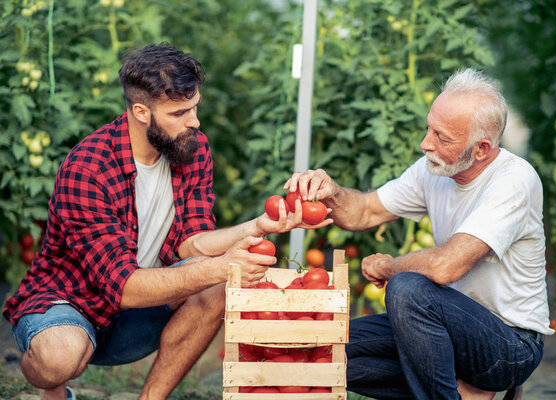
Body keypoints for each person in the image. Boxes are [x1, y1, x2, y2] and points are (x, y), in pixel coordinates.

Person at [3, 43, 329, 400]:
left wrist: (259, 227)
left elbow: (191, 242)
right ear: (141, 112)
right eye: (179, 112)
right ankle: (52, 385)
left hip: (134, 317)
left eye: (195, 107)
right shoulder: (88, 169)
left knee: (216, 286)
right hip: (70, 305)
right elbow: (124, 286)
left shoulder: (190, 149)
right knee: (59, 357)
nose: (195, 121)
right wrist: (220, 266)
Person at [284, 68, 551, 400]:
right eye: (429, 128)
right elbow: (365, 210)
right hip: (443, 330)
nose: (426, 143)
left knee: (407, 287)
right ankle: (452, 389)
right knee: (328, 347)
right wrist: (331, 192)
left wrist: (386, 267)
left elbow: (444, 267)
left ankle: (463, 387)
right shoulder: (435, 169)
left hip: (509, 344)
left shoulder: (514, 181)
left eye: (442, 137)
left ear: (481, 149)